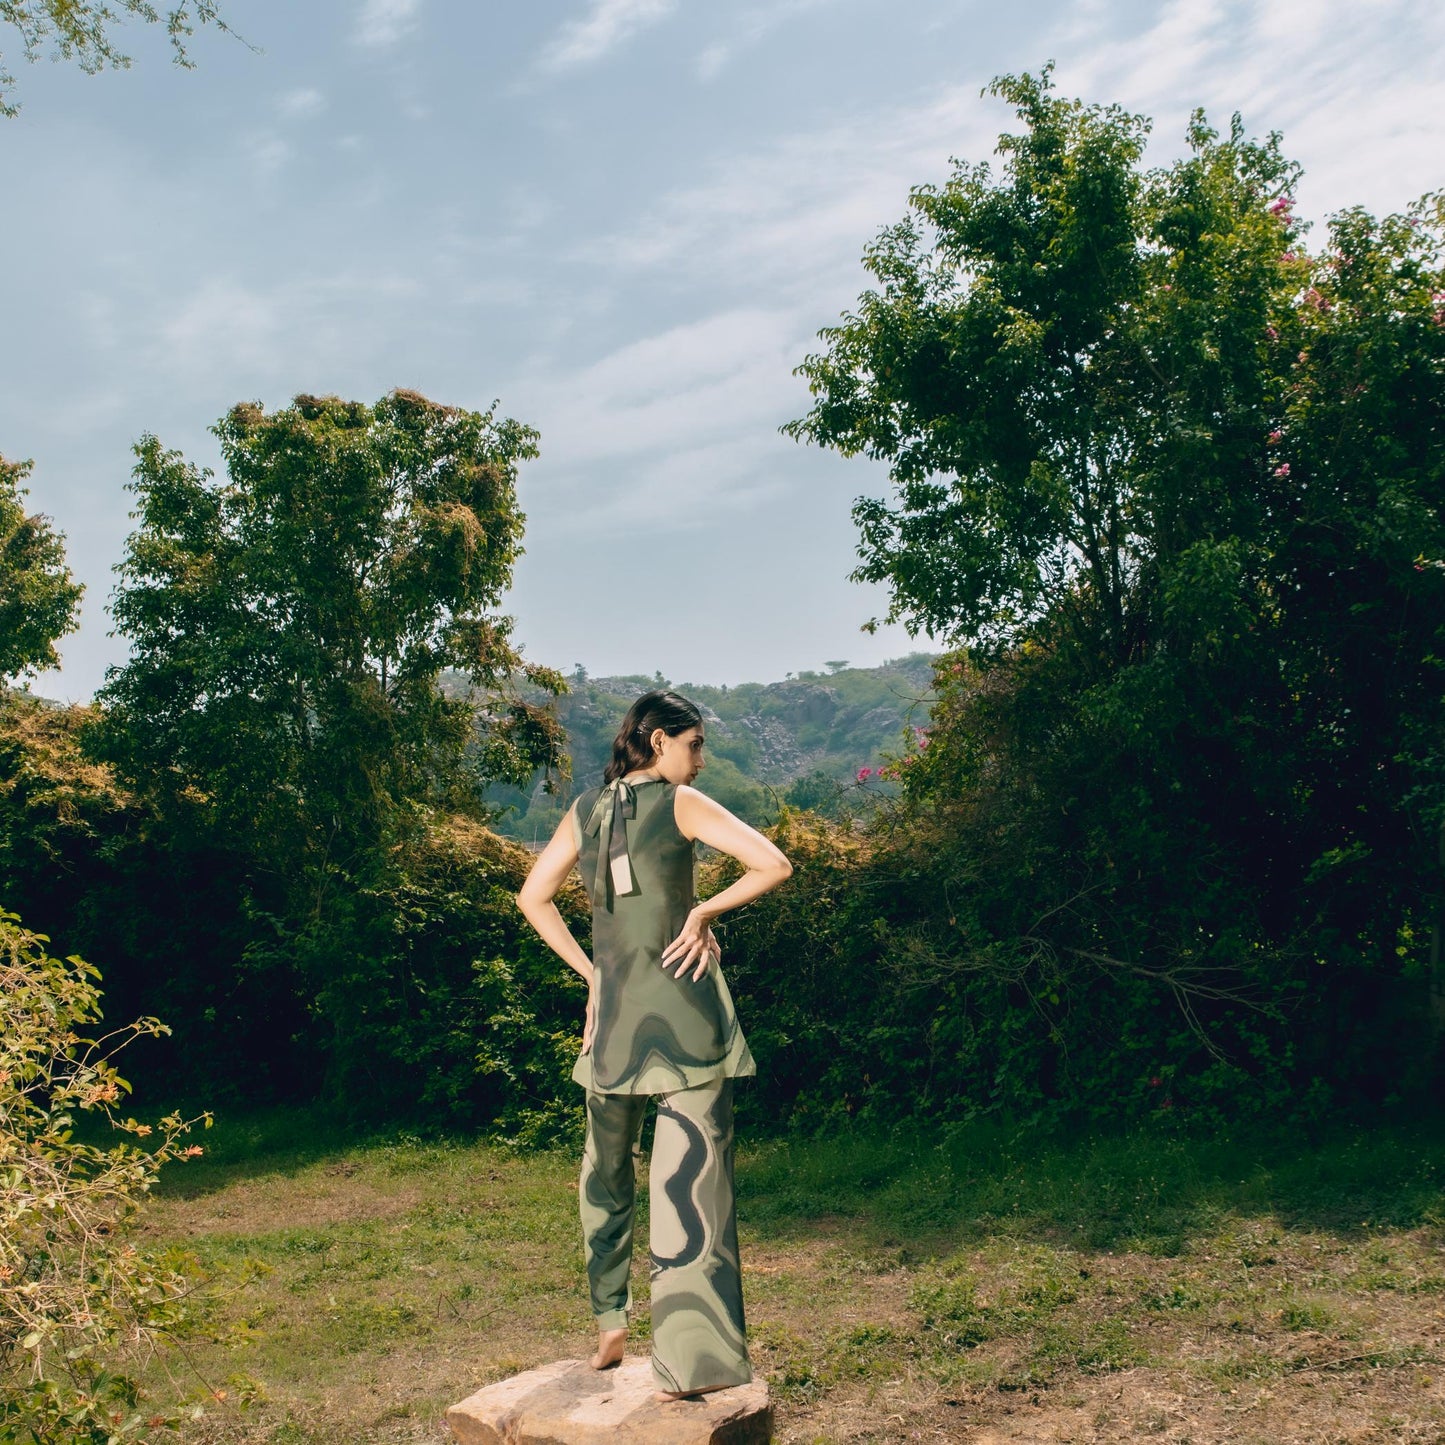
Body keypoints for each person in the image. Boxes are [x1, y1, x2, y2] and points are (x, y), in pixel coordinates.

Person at [516, 689, 792, 1400]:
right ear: (660, 740)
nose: (699, 760)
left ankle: (609, 1322)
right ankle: (690, 1362)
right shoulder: (680, 803)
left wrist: (593, 975)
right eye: (694, 744)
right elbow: (772, 864)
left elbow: (532, 896)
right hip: (686, 1024)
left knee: (604, 1177)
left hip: (612, 1025)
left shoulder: (586, 809)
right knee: (689, 1187)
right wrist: (703, 912)